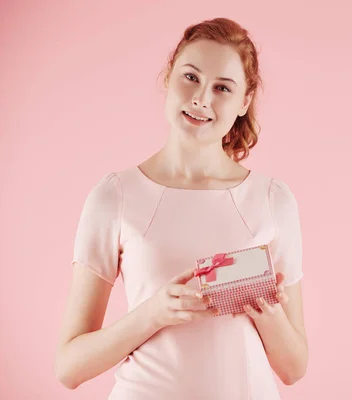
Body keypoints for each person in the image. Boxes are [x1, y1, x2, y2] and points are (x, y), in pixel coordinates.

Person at [54, 17, 308, 399]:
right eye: (191, 77)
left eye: (223, 87)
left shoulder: (272, 199)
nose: (202, 98)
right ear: (169, 77)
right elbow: (69, 368)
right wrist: (153, 313)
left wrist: (267, 313)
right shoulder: (115, 196)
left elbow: (293, 368)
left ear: (244, 101)